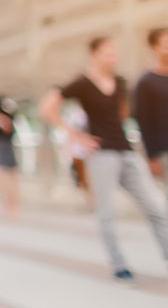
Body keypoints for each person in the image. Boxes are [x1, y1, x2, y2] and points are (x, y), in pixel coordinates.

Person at [39, 36, 168, 282]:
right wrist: (75, 135)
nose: (113, 57)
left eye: (115, 53)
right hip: (101, 154)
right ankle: (119, 265)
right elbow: (48, 107)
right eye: (108, 53)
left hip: (127, 151)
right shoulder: (82, 83)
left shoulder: (119, 82)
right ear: (94, 54)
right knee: (107, 213)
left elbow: (121, 114)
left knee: (157, 207)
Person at [135, 27, 168, 184]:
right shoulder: (146, 82)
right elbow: (144, 121)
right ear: (154, 48)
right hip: (164, 150)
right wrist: (151, 157)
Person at [0, 97, 21, 220]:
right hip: (1, 148)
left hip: (5, 148)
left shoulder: (3, 118)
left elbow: (8, 129)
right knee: (2, 180)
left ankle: (12, 207)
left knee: (9, 180)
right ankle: (7, 207)